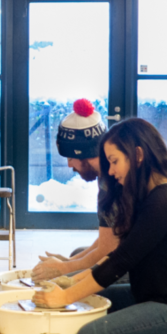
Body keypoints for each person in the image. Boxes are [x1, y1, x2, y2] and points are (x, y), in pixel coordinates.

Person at [33, 118, 167, 334]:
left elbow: (121, 261)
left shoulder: (165, 199)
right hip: (154, 294)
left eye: (114, 161)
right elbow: (117, 253)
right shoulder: (148, 193)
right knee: (83, 300)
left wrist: (65, 296)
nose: (110, 171)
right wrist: (70, 281)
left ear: (138, 155)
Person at [32, 99, 119, 283]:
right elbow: (109, 237)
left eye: (71, 157)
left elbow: (108, 250)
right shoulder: (105, 173)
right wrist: (70, 261)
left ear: (84, 153)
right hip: (123, 250)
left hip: (142, 265)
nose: (69, 164)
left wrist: (65, 268)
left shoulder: (114, 179)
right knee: (77, 254)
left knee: (63, 281)